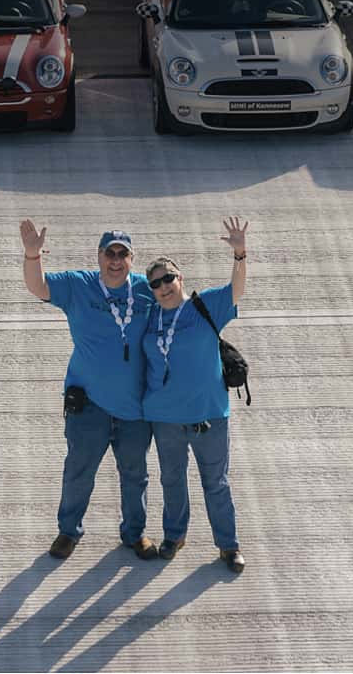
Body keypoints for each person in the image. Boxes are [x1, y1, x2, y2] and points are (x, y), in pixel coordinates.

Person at [20, 220, 159, 561]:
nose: (115, 260)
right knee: (78, 472)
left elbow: (178, 313)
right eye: (109, 253)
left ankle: (135, 534)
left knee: (135, 474)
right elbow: (38, 287)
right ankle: (68, 531)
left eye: (122, 254)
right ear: (98, 256)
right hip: (89, 406)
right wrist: (32, 254)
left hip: (135, 408)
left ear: (132, 258)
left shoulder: (146, 290)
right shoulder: (78, 285)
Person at [141, 216, 248, 573]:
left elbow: (237, 289)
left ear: (180, 278)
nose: (163, 286)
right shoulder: (149, 317)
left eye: (168, 278)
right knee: (171, 479)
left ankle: (228, 545)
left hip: (209, 415)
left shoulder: (206, 306)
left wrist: (240, 254)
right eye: (155, 283)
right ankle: (174, 536)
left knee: (215, 481)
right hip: (165, 417)